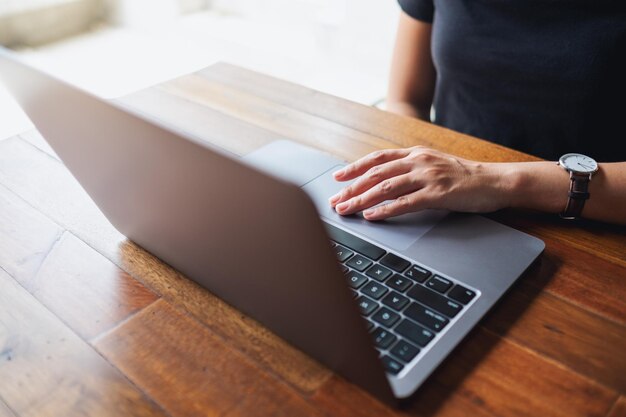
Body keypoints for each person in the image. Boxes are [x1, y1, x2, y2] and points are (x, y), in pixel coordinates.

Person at [330, 1, 626, 225]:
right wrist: (418, 179)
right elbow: (405, 99)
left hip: (587, 222)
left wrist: (499, 182)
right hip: (450, 204)